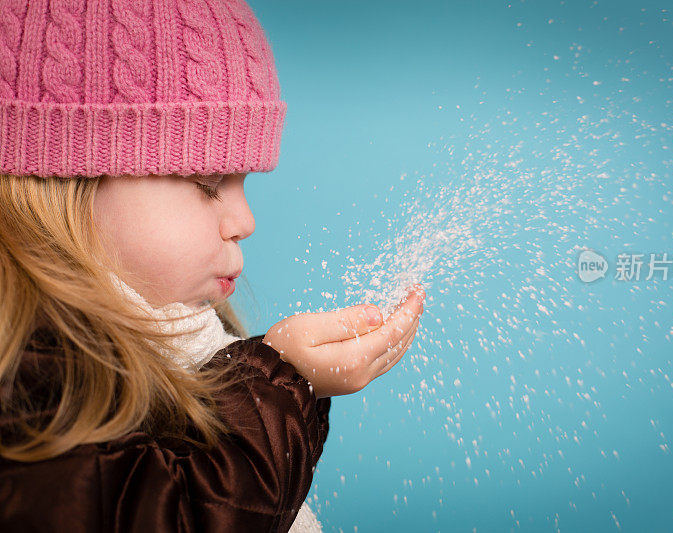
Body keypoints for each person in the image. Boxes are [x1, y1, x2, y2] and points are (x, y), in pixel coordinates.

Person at [0, 1, 425, 531]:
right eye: (207, 183)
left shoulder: (187, 334)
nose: (244, 220)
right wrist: (279, 387)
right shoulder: (28, 368)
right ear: (68, 177)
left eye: (245, 183)